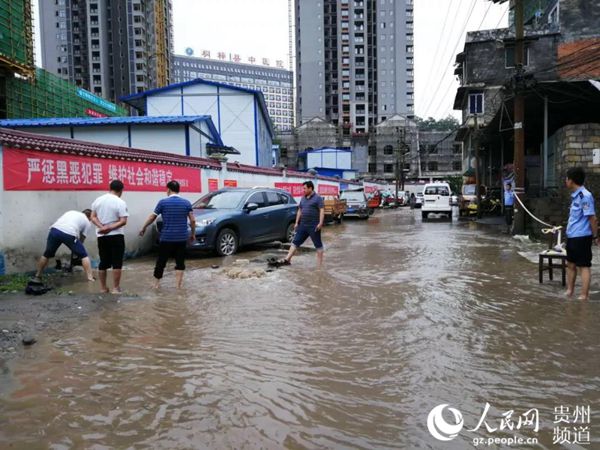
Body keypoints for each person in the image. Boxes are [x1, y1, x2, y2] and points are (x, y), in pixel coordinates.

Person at [139, 180, 196, 289]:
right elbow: (192, 221)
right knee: (180, 262)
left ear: (168, 189)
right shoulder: (186, 203)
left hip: (166, 238)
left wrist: (144, 227)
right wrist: (193, 234)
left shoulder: (163, 202)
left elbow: (152, 217)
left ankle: (156, 284)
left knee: (161, 261)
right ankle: (178, 286)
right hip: (181, 238)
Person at [32, 209, 95, 283]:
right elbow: (82, 238)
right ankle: (90, 278)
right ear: (89, 217)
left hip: (54, 230)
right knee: (84, 255)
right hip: (69, 233)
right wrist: (76, 250)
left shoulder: (71, 212)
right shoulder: (87, 222)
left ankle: (38, 275)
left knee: (46, 254)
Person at [565, 167, 599, 301]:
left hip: (582, 236)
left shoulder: (585, 196)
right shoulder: (575, 196)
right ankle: (570, 291)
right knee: (570, 264)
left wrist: (595, 236)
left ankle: (584, 295)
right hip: (572, 235)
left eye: (566, 178)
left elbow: (592, 218)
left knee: (584, 265)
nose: (565, 181)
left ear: (571, 180)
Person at [91, 180, 129, 294]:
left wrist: (102, 227)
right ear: (121, 190)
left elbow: (93, 217)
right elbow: (123, 221)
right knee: (117, 262)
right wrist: (110, 228)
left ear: (110, 188)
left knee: (103, 261)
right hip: (116, 235)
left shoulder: (98, 200)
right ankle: (116, 288)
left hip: (101, 235)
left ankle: (103, 288)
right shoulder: (120, 202)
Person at [278, 181, 325, 267]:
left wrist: (320, 223)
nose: (303, 190)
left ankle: (319, 267)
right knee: (295, 242)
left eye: (305, 188)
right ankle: (287, 259)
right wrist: (296, 223)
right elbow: (300, 210)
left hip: (314, 226)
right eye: (303, 188)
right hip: (303, 225)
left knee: (318, 246)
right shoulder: (303, 198)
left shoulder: (318, 198)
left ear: (310, 188)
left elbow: (322, 210)